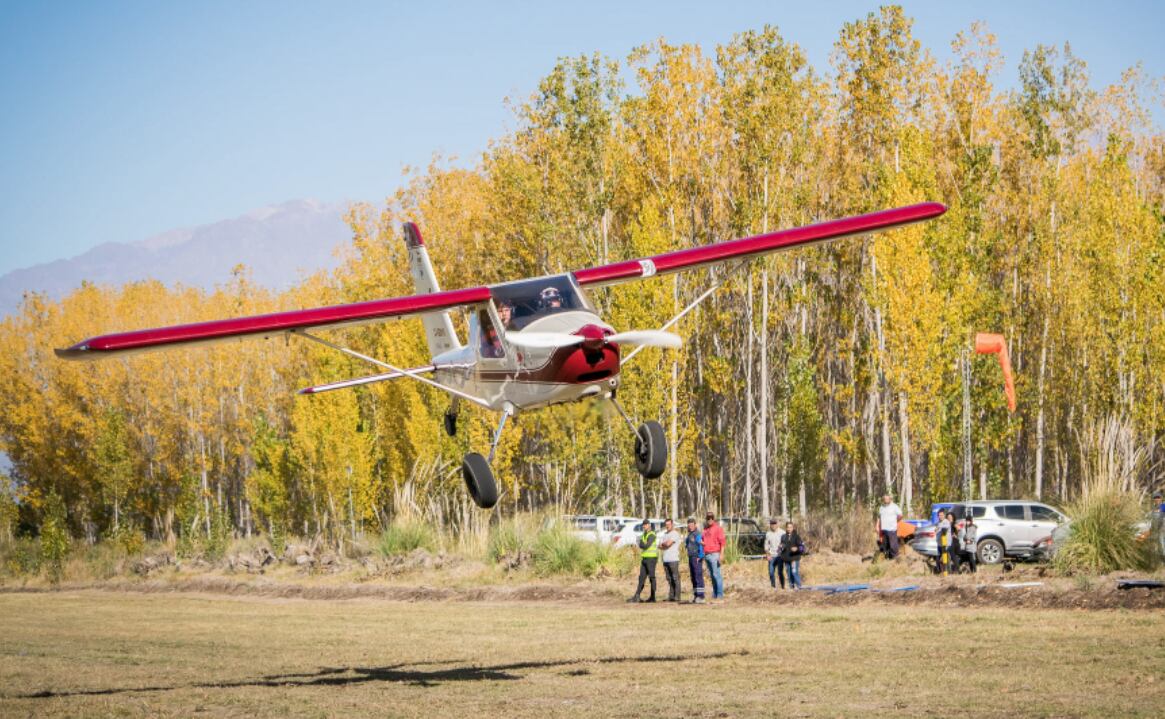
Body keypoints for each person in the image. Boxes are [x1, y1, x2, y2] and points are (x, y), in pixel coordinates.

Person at [627, 518, 658, 603]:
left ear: (649, 525)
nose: (644, 526)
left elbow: (646, 546)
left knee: (652, 577)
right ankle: (637, 596)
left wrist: (640, 543)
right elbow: (642, 545)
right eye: (643, 525)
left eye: (646, 524)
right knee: (641, 578)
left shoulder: (652, 534)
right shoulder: (644, 534)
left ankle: (653, 597)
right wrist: (641, 543)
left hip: (651, 559)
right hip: (644, 558)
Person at [702, 512, 726, 599]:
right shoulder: (705, 530)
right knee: (712, 575)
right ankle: (715, 593)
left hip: (715, 554)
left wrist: (721, 554)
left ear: (714, 518)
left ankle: (720, 594)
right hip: (707, 554)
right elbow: (702, 541)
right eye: (708, 518)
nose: (710, 520)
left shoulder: (718, 528)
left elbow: (722, 542)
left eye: (711, 518)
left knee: (717, 575)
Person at [659, 519, 682, 602]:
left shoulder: (675, 533)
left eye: (669, 524)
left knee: (675, 578)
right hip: (665, 559)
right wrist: (665, 544)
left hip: (673, 559)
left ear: (672, 525)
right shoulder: (665, 534)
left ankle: (677, 596)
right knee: (669, 578)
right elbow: (659, 546)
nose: (667, 526)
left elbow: (668, 544)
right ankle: (671, 596)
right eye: (666, 524)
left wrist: (664, 544)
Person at [684, 517, 705, 604]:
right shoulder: (689, 534)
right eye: (689, 525)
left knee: (698, 576)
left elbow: (701, 545)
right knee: (693, 577)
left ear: (695, 525)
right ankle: (696, 595)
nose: (690, 526)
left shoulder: (697, 534)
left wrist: (700, 555)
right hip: (691, 557)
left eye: (692, 525)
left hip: (697, 557)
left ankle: (701, 596)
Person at [778, 521, 804, 589]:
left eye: (790, 527)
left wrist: (797, 548)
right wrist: (780, 548)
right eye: (788, 527)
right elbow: (781, 547)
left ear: (793, 528)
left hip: (794, 558)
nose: (789, 529)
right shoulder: (783, 537)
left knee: (794, 572)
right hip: (786, 559)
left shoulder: (797, 537)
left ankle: (799, 587)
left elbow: (802, 547)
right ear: (786, 528)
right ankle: (791, 587)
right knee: (789, 574)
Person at [877, 494, 902, 559]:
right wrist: (877, 526)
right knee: (885, 546)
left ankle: (896, 560)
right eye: (885, 499)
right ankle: (887, 558)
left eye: (888, 499)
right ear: (883, 500)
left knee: (893, 546)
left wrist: (896, 521)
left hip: (892, 529)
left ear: (890, 499)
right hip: (884, 529)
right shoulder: (881, 507)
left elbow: (900, 515)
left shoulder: (894, 506)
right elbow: (879, 517)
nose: (886, 500)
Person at [764, 519, 786, 589]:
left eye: (774, 524)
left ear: (777, 524)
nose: (773, 525)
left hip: (780, 555)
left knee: (780, 572)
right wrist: (767, 554)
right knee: (771, 572)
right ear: (770, 525)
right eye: (772, 524)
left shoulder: (782, 532)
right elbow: (766, 545)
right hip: (772, 556)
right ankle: (773, 587)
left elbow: (785, 543)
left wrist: (782, 547)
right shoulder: (768, 533)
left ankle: (782, 587)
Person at [935, 511, 952, 576]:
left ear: (944, 515)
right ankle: (942, 572)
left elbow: (944, 529)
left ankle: (948, 573)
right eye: (939, 515)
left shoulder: (946, 522)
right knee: (938, 559)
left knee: (945, 559)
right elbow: (936, 530)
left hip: (945, 544)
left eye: (941, 515)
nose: (940, 516)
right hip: (939, 544)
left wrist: (938, 528)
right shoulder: (938, 523)